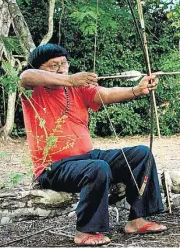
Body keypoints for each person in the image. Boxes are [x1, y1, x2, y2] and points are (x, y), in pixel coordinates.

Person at [19, 44, 167, 246]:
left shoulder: (76, 89)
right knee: (97, 168)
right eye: (53, 65)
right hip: (53, 167)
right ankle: (85, 231)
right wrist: (70, 79)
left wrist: (137, 90)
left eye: (64, 64)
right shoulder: (33, 90)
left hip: (87, 158)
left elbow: (105, 94)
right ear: (40, 68)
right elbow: (26, 76)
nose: (61, 69)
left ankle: (137, 219)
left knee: (141, 154)